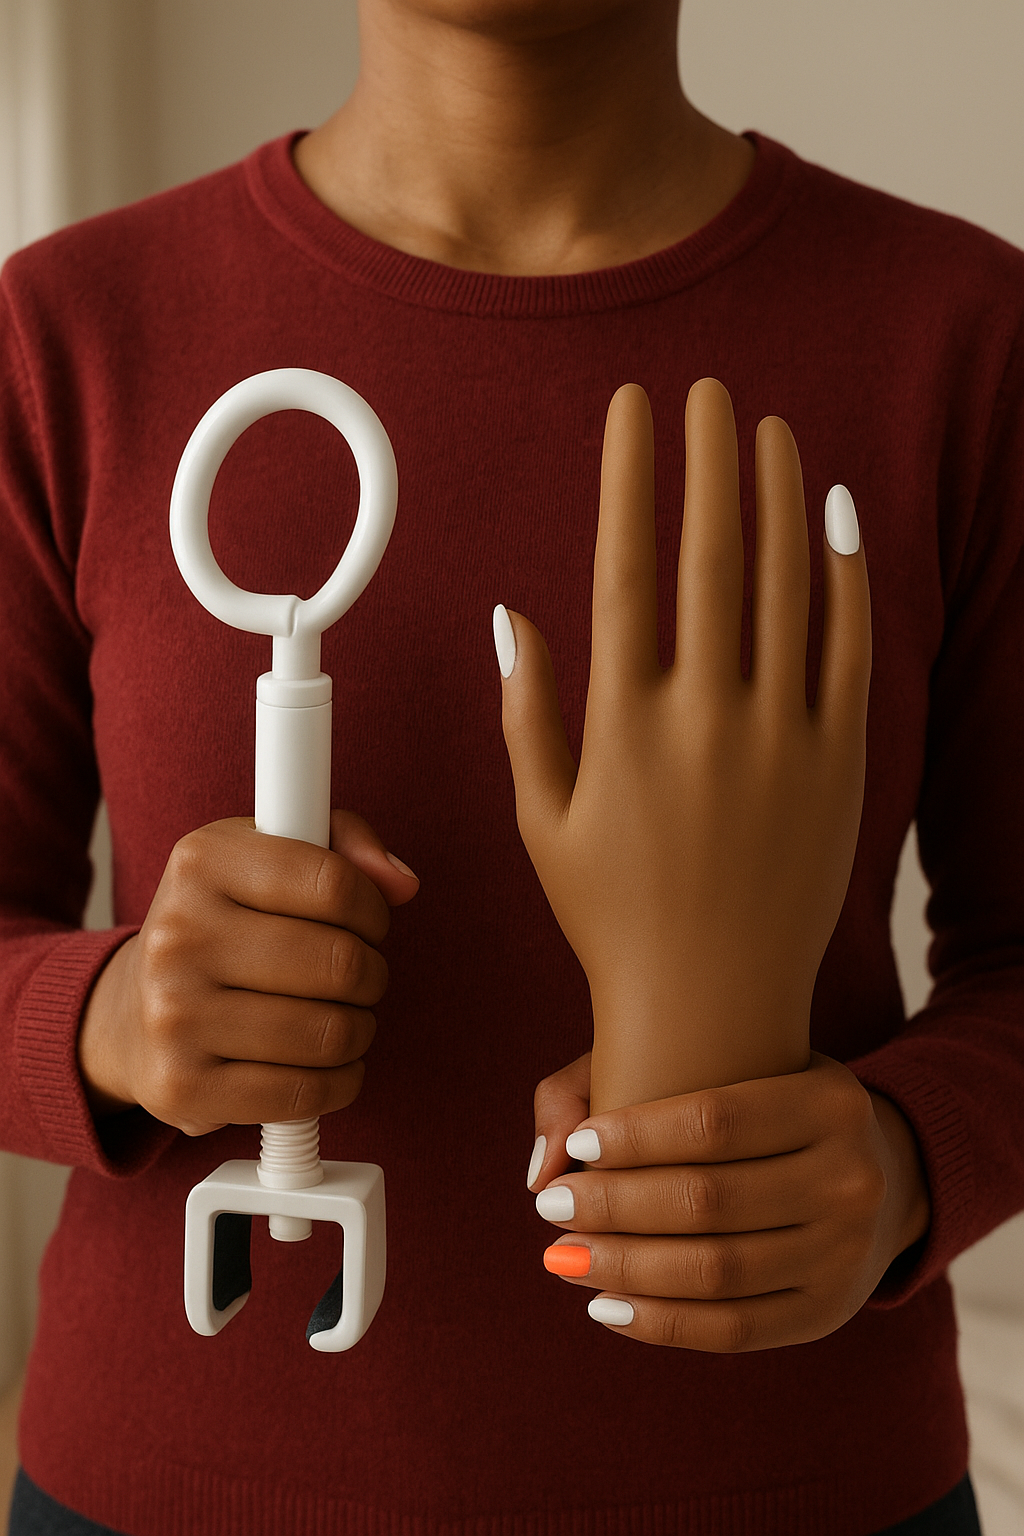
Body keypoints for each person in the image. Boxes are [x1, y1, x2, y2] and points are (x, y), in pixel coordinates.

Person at [1, 1, 1021, 1532]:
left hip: (800, 1490)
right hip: (169, 1487)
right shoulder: (71, 329)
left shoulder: (961, 331)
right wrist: (115, 1021)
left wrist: (901, 1165)